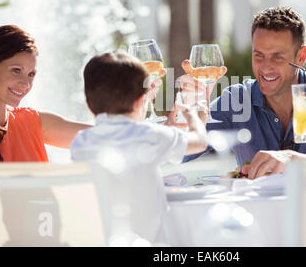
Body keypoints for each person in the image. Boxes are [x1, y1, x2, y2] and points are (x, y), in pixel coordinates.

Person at [178, 6, 306, 179]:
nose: (265, 67)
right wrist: (188, 111)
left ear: (300, 57)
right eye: (259, 55)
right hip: (256, 208)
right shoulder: (236, 100)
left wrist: (293, 161)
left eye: (277, 56)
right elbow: (178, 152)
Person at [0, 25, 165, 162]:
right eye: (16, 70)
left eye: (31, 74)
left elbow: (110, 137)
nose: (26, 83)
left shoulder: (32, 122)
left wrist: (142, 99)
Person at [70, 52, 207, 243]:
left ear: (88, 105)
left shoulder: (81, 142)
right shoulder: (150, 135)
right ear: (140, 101)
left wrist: (140, 105)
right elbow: (200, 141)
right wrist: (194, 113)